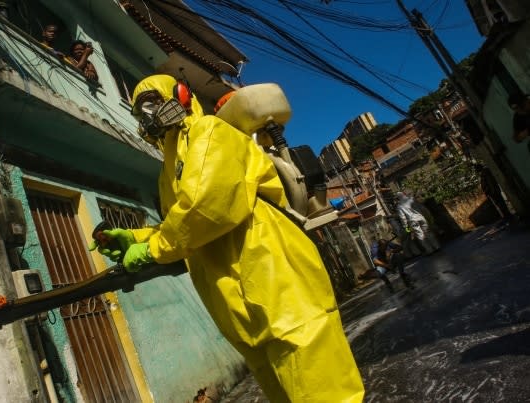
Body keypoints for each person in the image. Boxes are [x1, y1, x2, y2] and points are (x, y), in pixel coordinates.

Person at [91, 75, 364, 402]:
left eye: (152, 101)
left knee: (317, 376)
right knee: (280, 385)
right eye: (140, 112)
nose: (148, 115)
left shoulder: (210, 132)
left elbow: (208, 208)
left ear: (180, 95)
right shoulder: (169, 168)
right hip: (230, 291)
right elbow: (184, 228)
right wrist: (136, 238)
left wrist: (151, 248)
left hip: (270, 268)